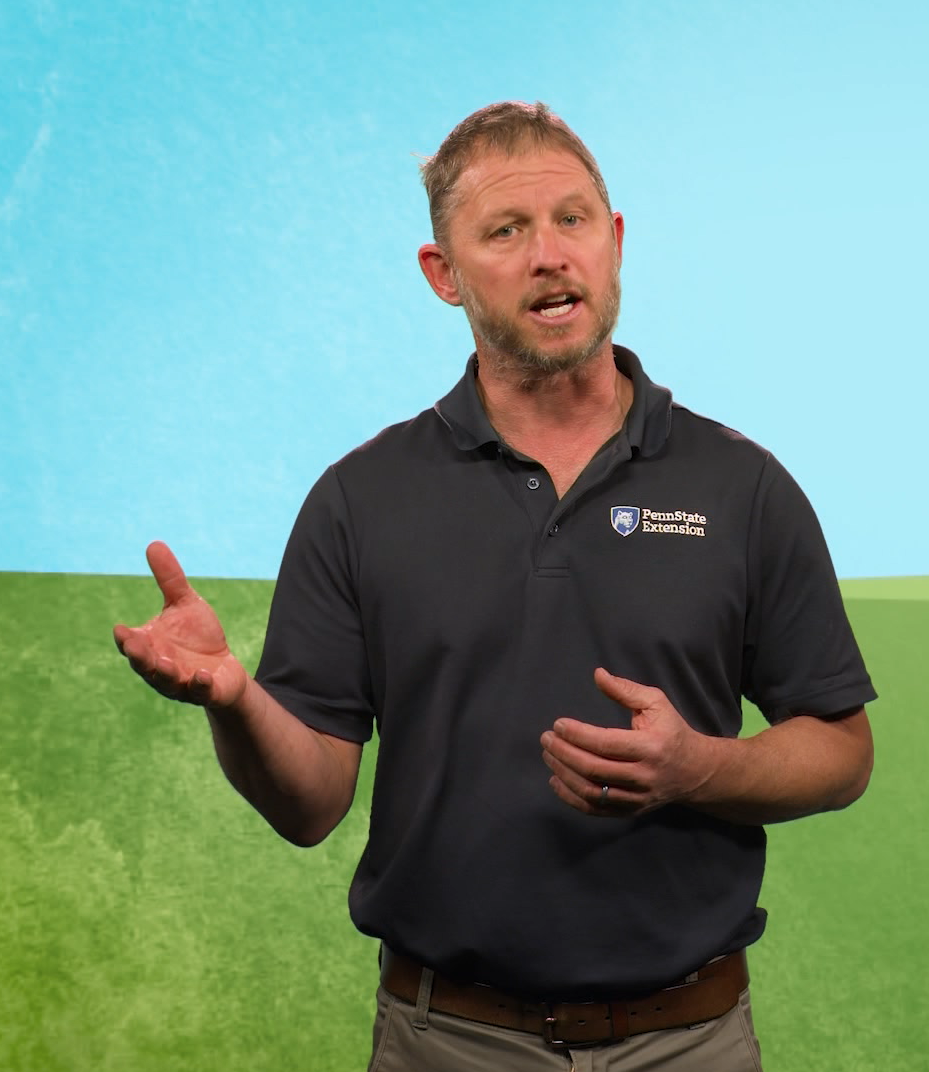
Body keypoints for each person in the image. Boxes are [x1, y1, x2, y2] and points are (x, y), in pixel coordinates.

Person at [111, 100, 875, 1069]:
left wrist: (698, 769)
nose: (550, 253)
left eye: (573, 219)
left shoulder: (741, 484)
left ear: (617, 239)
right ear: (445, 273)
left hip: (692, 1040)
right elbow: (309, 808)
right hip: (448, 1039)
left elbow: (843, 752)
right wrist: (233, 700)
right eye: (506, 231)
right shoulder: (362, 499)